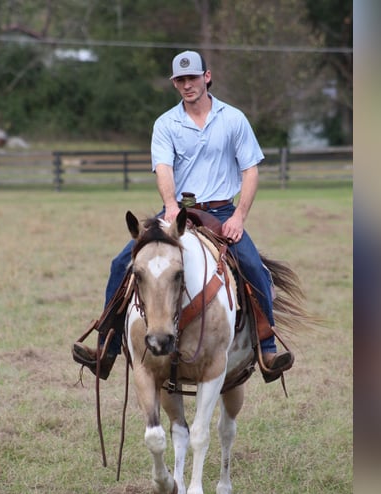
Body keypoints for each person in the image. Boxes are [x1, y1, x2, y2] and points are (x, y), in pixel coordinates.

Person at [73, 50, 294, 383]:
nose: (187, 85)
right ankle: (106, 349)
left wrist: (240, 218)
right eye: (180, 80)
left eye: (193, 78)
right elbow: (163, 168)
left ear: (207, 77)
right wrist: (171, 204)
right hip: (177, 211)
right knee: (122, 264)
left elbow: (250, 171)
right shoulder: (166, 123)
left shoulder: (233, 119)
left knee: (254, 267)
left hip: (221, 210)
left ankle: (267, 348)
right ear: (175, 83)